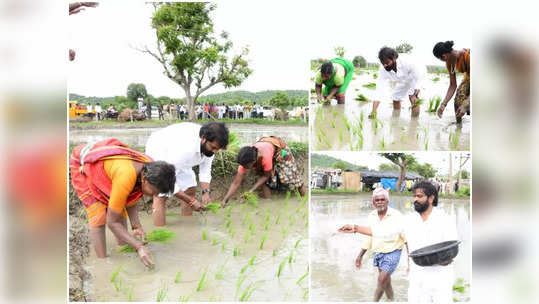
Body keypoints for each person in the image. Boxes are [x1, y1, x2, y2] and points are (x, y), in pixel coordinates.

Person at [70, 138, 176, 268]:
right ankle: (102, 262)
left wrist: (136, 225)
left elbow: (131, 197)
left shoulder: (150, 167)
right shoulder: (126, 175)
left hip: (111, 166)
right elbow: (112, 222)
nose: (154, 195)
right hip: (84, 162)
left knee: (119, 211)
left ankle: (122, 249)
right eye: (153, 191)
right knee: (99, 216)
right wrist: (139, 247)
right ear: (144, 179)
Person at [348, 181, 458, 303]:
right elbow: (384, 231)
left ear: (431, 198)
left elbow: (451, 247)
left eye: (419, 196)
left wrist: (446, 258)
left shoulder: (445, 220)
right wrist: (356, 228)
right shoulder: (410, 219)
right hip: (417, 274)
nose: (415, 199)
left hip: (440, 276)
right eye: (414, 196)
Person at [145, 122, 229, 225]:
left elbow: (205, 170)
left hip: (178, 158)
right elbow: (168, 180)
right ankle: (159, 230)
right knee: (162, 193)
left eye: (218, 149)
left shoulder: (210, 145)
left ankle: (187, 224)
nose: (215, 152)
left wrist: (206, 193)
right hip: (160, 149)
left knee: (190, 188)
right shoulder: (186, 148)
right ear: (203, 139)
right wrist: (191, 202)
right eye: (213, 148)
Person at [338, 188, 408, 302]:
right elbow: (369, 236)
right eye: (377, 200)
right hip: (378, 252)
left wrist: (411, 260)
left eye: (382, 199)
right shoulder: (371, 216)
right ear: (373, 202)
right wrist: (360, 255)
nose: (380, 202)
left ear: (387, 201)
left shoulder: (396, 216)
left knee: (381, 280)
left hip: (393, 251)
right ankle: (391, 299)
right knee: (385, 282)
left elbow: (406, 238)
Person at [221, 136, 306, 205]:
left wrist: (252, 190)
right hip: (268, 151)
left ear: (253, 161)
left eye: (246, 166)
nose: (244, 168)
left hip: (282, 153)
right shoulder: (245, 160)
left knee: (292, 177)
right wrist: (225, 200)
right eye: (243, 166)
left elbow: (266, 175)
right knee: (265, 182)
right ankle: (267, 203)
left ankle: (304, 198)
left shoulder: (265, 157)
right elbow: (236, 182)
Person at [370, 47, 425, 118]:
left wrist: (416, 90)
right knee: (395, 97)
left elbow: (419, 75)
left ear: (394, 58)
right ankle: (396, 119)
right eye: (383, 63)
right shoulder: (383, 69)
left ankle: (414, 123)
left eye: (387, 63)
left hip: (417, 75)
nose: (385, 65)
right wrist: (374, 111)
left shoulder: (408, 62)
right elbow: (379, 90)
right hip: (403, 79)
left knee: (413, 97)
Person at [433, 41, 470, 123]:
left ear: (444, 56)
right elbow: (453, 85)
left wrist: (466, 103)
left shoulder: (467, 56)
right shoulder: (449, 63)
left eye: (440, 59)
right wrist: (443, 104)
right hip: (468, 78)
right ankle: (458, 128)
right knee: (458, 100)